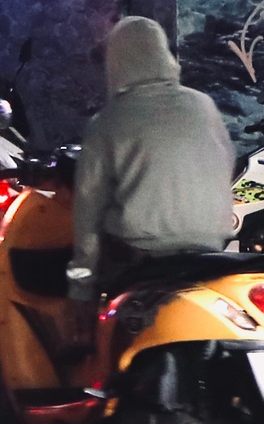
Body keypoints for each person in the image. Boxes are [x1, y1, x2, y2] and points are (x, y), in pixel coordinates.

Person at [68, 17, 237, 317]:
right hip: (211, 252)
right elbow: (227, 163)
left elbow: (88, 216)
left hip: (141, 260)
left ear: (115, 63)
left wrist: (80, 289)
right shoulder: (204, 106)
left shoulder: (108, 122)